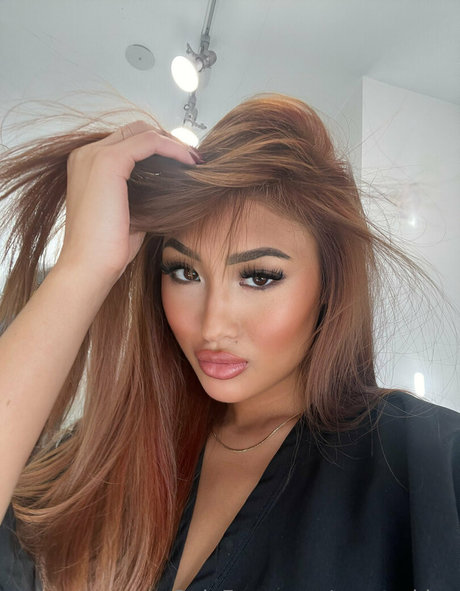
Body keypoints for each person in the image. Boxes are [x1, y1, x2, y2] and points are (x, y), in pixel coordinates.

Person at [0, 93, 459, 591]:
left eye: (259, 277)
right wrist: (81, 269)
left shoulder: (430, 463)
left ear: (329, 284)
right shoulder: (101, 458)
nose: (212, 325)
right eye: (184, 272)